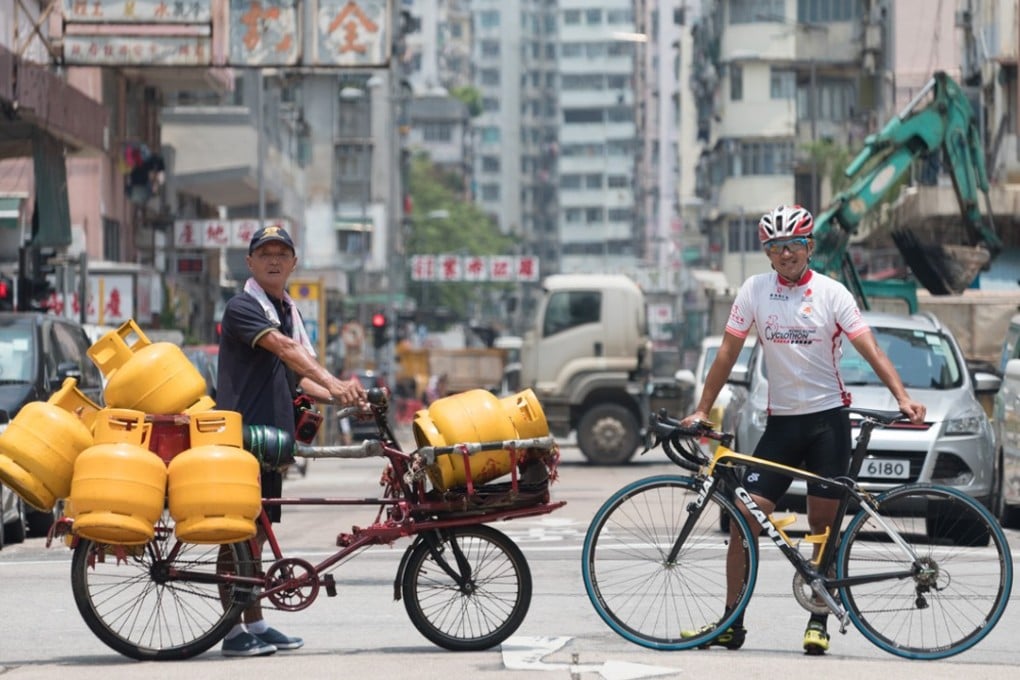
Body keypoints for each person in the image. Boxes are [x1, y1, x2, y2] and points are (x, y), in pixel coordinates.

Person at [680, 205, 926, 655]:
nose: (786, 253)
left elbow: (868, 347)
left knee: (823, 524)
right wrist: (701, 408)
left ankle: (819, 619)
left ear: (810, 247)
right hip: (781, 426)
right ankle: (730, 623)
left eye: (794, 244)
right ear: (768, 254)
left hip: (828, 423)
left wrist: (902, 397)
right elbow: (727, 353)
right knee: (744, 520)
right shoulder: (755, 291)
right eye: (776, 247)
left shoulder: (833, 294)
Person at [217, 224, 367, 657]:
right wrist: (335, 382)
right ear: (250, 263)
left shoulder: (287, 311)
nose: (274, 260)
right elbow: (283, 349)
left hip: (272, 442)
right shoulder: (244, 307)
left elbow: (300, 374)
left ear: (294, 264)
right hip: (242, 437)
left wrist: (347, 398)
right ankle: (230, 633)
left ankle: (256, 623)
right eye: (265, 253)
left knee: (258, 536)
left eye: (282, 253)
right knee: (238, 535)